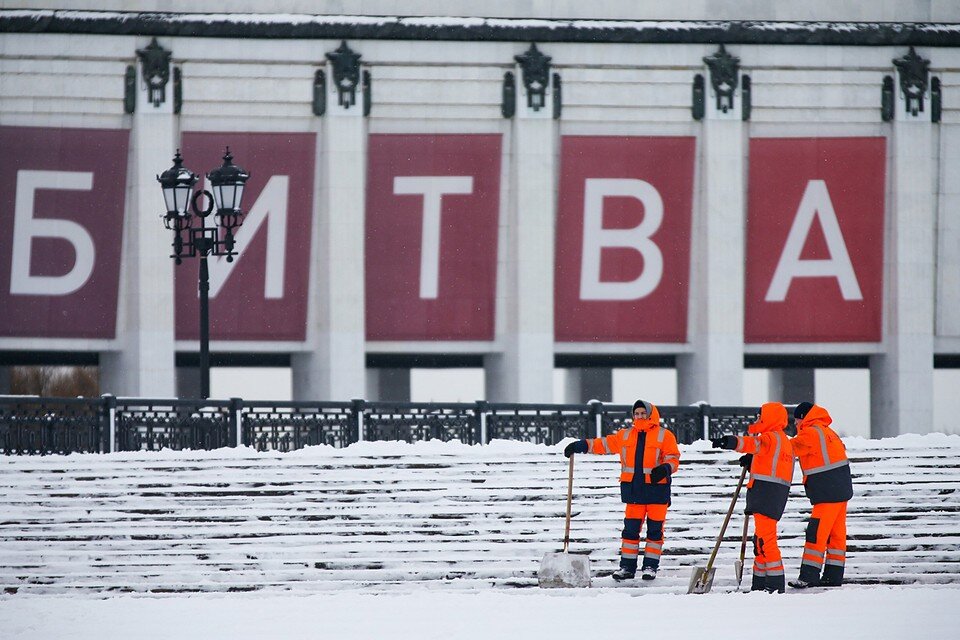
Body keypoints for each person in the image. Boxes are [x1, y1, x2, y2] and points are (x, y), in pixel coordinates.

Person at [563, 400, 680, 581]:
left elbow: (673, 459)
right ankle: (627, 567)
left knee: (655, 531)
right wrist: (582, 445)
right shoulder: (625, 435)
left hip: (657, 491)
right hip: (634, 491)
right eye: (637, 413)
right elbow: (603, 444)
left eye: (643, 413)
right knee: (630, 531)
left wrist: (665, 468)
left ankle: (650, 566)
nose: (640, 416)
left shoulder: (665, 435)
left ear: (651, 414)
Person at [711, 402, 794, 593]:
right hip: (772, 493)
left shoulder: (770, 437)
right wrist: (754, 459)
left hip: (766, 493)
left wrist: (728, 442)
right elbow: (767, 457)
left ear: (769, 418)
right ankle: (760, 584)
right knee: (761, 541)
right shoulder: (782, 440)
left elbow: (751, 443)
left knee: (766, 541)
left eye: (760, 417)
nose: (757, 420)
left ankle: (773, 585)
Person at [787, 401, 854, 588]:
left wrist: (764, 449)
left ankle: (808, 575)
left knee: (816, 533)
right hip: (840, 489)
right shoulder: (826, 430)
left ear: (803, 418)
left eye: (796, 420)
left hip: (827, 491)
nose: (795, 425)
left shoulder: (810, 432)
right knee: (836, 535)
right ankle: (833, 576)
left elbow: (788, 449)